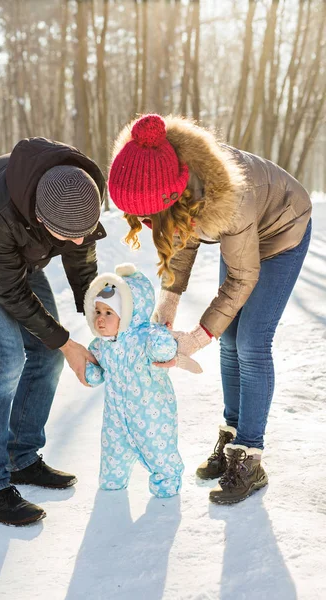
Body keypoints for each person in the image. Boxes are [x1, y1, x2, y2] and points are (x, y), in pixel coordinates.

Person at [107, 114, 312, 504]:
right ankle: (232, 435)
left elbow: (242, 278)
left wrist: (196, 338)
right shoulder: (169, 176)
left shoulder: (228, 200)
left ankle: (250, 456)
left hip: (282, 229)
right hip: (246, 236)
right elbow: (179, 238)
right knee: (230, 339)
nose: (148, 224)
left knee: (251, 342)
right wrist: (168, 303)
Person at [0, 136, 107, 525]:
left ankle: (22, 457)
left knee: (46, 352)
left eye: (86, 230)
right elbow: (8, 290)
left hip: (17, 261)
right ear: (42, 220)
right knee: (6, 358)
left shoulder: (76, 190)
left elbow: (81, 259)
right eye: (70, 234)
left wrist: (96, 310)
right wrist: (67, 341)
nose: (80, 241)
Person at [84, 263, 201, 497]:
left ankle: (167, 479)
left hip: (152, 415)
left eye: (109, 313)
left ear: (130, 313)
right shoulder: (102, 346)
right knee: (113, 451)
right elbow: (96, 368)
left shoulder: (148, 335)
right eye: (97, 312)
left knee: (158, 449)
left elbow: (165, 350)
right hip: (115, 418)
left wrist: (162, 342)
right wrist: (92, 372)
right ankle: (112, 480)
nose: (100, 319)